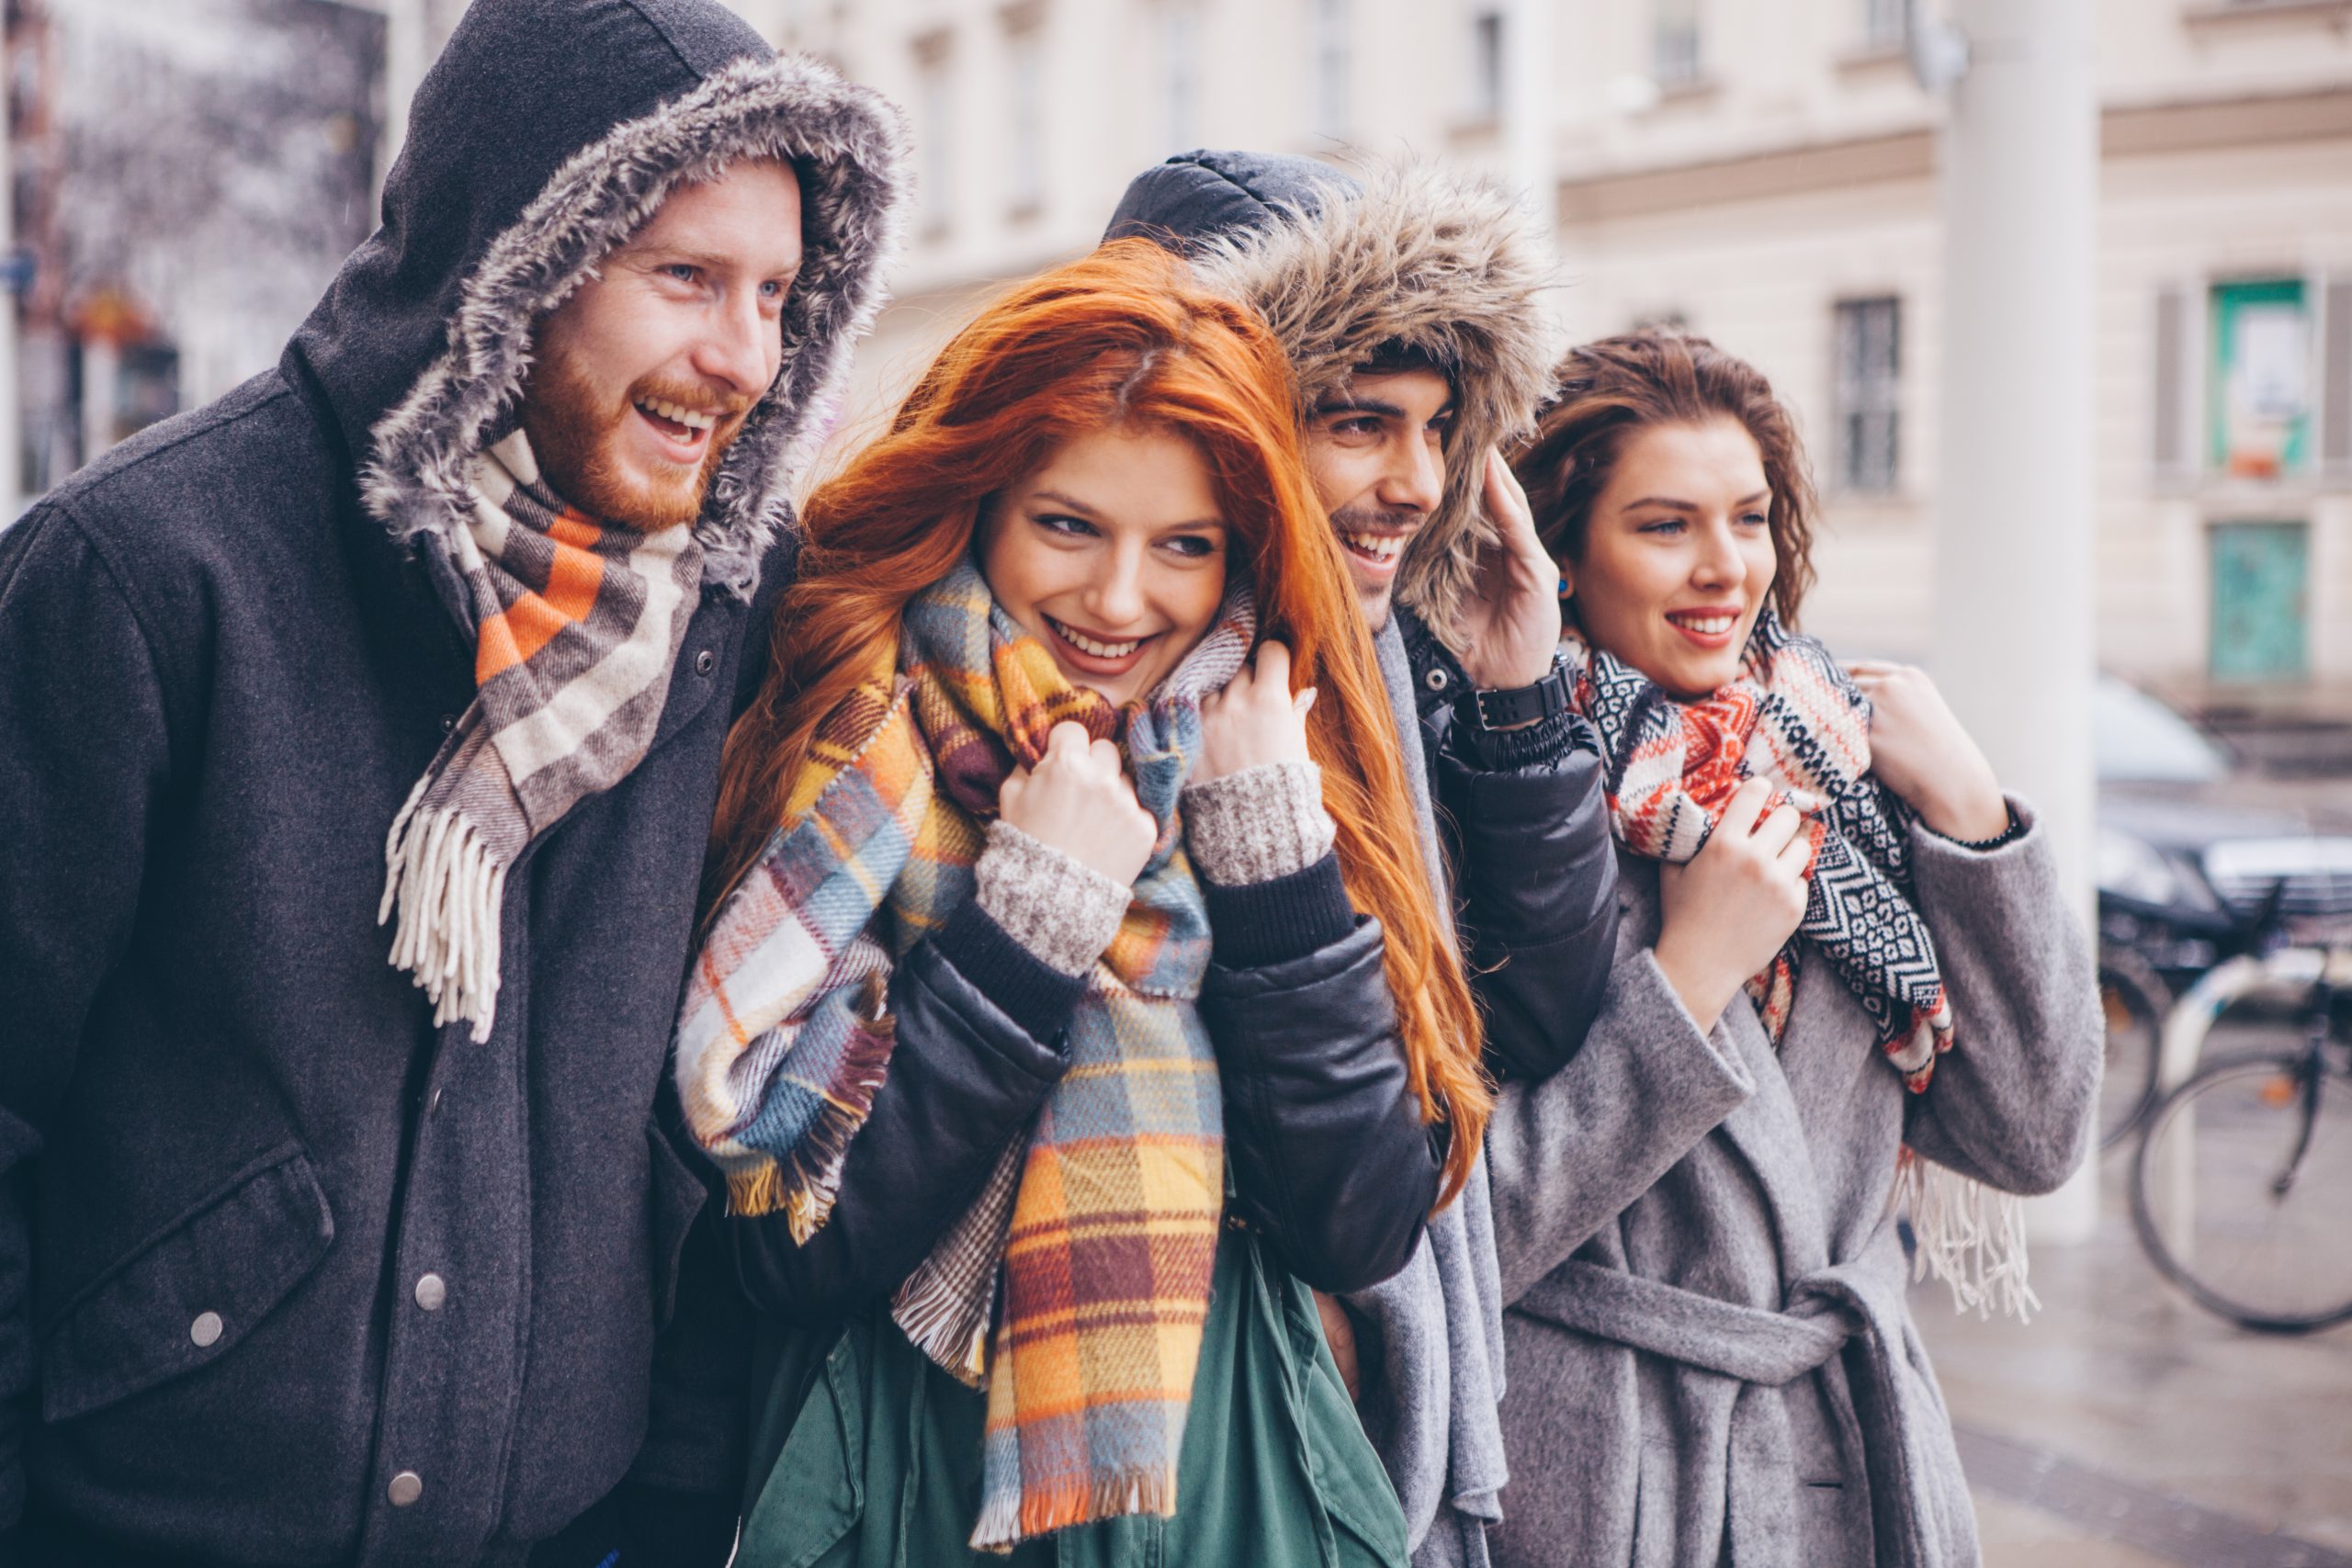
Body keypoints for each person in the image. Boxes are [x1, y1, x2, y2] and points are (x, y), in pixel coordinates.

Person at [0, 2, 905, 1562]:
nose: (745, 356)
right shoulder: (141, 577)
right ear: (514, 261)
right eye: (684, 277)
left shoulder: (718, 620)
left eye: (776, 293)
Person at [674, 238, 1485, 1565]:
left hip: (1227, 1483)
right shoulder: (852, 732)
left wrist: (1276, 869)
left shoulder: (1275, 742)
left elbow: (1360, 1223)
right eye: (1068, 526)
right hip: (909, 1486)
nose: (1119, 600)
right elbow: (795, 1243)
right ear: (979, 498)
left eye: (1183, 546)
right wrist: (1030, 922)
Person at [1485, 331, 2103, 1568]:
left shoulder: (1842, 785)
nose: (1727, 569)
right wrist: (1689, 979)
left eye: (1752, 518)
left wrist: (1977, 822)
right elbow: (1464, 1237)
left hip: (1848, 1464)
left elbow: (2033, 1141)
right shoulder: (1499, 806)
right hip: (1601, 1481)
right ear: (1558, 557)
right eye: (1665, 526)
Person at [1104, 152, 1621, 1566]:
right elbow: (1351, 1207)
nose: (1415, 480)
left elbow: (1523, 1022)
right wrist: (1272, 866)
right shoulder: (1148, 705)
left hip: (1355, 1432)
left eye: (1443, 426)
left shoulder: (1391, 670)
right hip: (1215, 1458)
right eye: (1357, 423)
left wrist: (1520, 707)